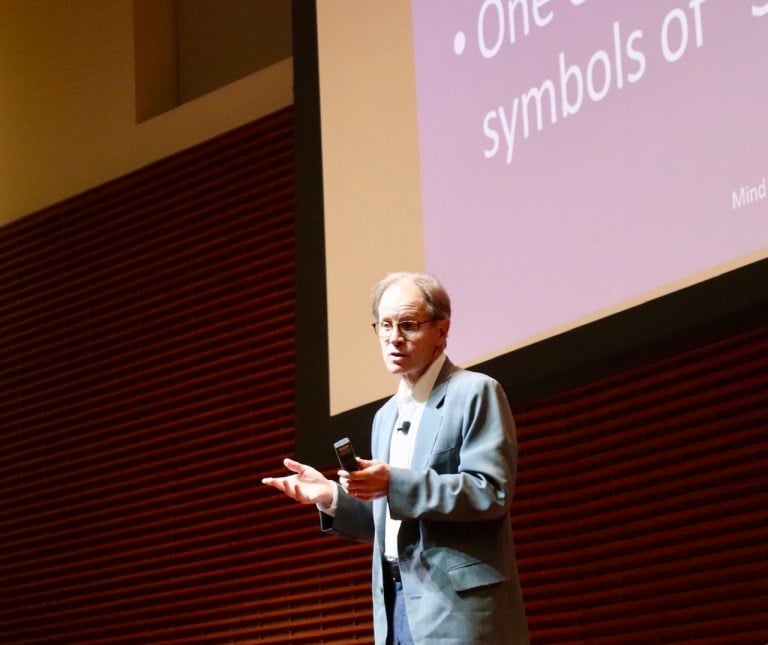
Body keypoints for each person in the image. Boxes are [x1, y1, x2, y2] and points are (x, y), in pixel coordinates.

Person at [262, 272, 529, 644]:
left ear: (442, 329)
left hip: (457, 609)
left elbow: (490, 492)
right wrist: (330, 497)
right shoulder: (384, 416)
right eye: (385, 326)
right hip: (395, 602)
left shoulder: (475, 392)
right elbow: (386, 524)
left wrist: (393, 482)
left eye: (408, 325)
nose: (393, 338)